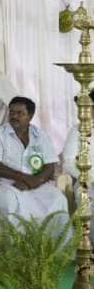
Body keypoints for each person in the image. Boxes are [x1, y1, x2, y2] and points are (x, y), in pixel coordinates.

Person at [0, 96, 69, 231]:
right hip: (10, 185)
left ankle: (55, 250)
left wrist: (36, 180)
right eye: (11, 112)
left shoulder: (41, 136)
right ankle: (18, 250)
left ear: (30, 116)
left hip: (38, 183)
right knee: (8, 201)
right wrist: (22, 177)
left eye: (20, 113)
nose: (14, 116)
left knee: (58, 199)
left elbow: (49, 165)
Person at [62, 89, 94, 241]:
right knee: (87, 200)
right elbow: (68, 161)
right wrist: (88, 178)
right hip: (85, 182)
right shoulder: (77, 130)